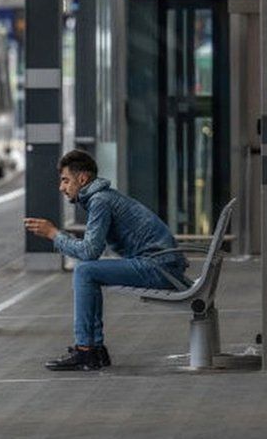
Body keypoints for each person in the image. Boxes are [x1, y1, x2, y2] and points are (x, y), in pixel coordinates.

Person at [24, 150, 189, 371]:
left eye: (65, 180)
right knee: (87, 271)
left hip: (159, 267)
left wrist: (54, 234)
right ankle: (93, 349)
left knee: (85, 271)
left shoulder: (100, 201)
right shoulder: (103, 197)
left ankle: (86, 350)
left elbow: (90, 251)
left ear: (82, 179)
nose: (61, 187)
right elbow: (91, 249)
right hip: (163, 265)